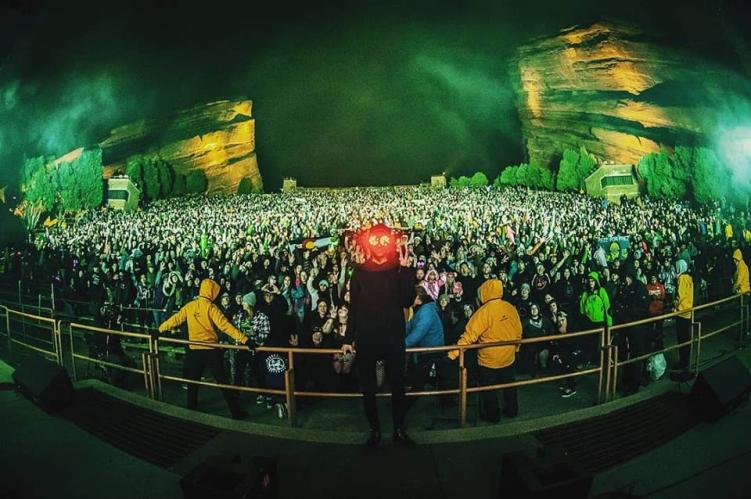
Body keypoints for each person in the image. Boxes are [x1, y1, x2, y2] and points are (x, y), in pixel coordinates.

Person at [340, 224, 416, 448]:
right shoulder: (360, 272)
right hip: (367, 338)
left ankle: (399, 429)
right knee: (368, 387)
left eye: (385, 240)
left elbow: (407, 300)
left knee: (398, 385)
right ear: (367, 243)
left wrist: (406, 271)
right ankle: (374, 429)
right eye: (376, 240)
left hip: (393, 338)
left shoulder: (398, 270)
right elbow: (353, 309)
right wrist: (347, 339)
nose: (381, 246)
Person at [157, 278, 251, 420]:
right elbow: (225, 326)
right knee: (223, 381)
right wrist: (245, 340)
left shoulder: (190, 306)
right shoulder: (212, 308)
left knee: (193, 381)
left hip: (194, 349)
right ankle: (235, 412)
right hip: (212, 350)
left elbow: (175, 319)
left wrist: (159, 330)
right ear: (211, 292)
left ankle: (191, 408)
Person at [448, 279, 522, 423]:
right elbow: (518, 330)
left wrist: (452, 354)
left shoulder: (483, 312)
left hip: (489, 361)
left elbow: (468, 336)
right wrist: (516, 349)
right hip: (509, 357)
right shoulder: (510, 307)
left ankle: (493, 416)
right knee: (509, 385)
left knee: (488, 389)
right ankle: (512, 411)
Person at [404, 285, 445, 392]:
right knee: (419, 381)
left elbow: (418, 332)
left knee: (418, 382)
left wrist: (401, 344)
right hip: (428, 350)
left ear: (417, 298)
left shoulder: (426, 311)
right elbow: (410, 326)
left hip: (431, 351)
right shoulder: (422, 309)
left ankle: (403, 405)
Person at [673, 259, 694, 372]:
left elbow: (680, 296)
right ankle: (686, 361)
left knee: (682, 339)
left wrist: (675, 306)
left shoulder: (681, 279)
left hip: (681, 313)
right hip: (688, 311)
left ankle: (683, 362)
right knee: (687, 338)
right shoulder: (689, 278)